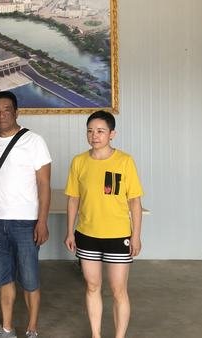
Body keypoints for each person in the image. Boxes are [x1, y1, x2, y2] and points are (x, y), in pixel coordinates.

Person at [0, 91, 52, 338]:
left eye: (6, 109)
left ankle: (32, 329)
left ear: (16, 112)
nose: (1, 115)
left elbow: (44, 184)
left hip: (26, 222)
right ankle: (7, 328)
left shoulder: (34, 141)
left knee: (29, 279)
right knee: (3, 278)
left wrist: (42, 221)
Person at [63, 110, 144, 338]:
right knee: (92, 286)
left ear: (112, 134)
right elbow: (73, 199)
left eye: (100, 131)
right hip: (87, 234)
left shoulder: (125, 161)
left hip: (118, 236)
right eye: (90, 131)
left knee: (118, 290)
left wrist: (136, 236)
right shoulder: (79, 161)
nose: (94, 136)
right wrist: (70, 232)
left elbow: (135, 202)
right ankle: (96, 334)